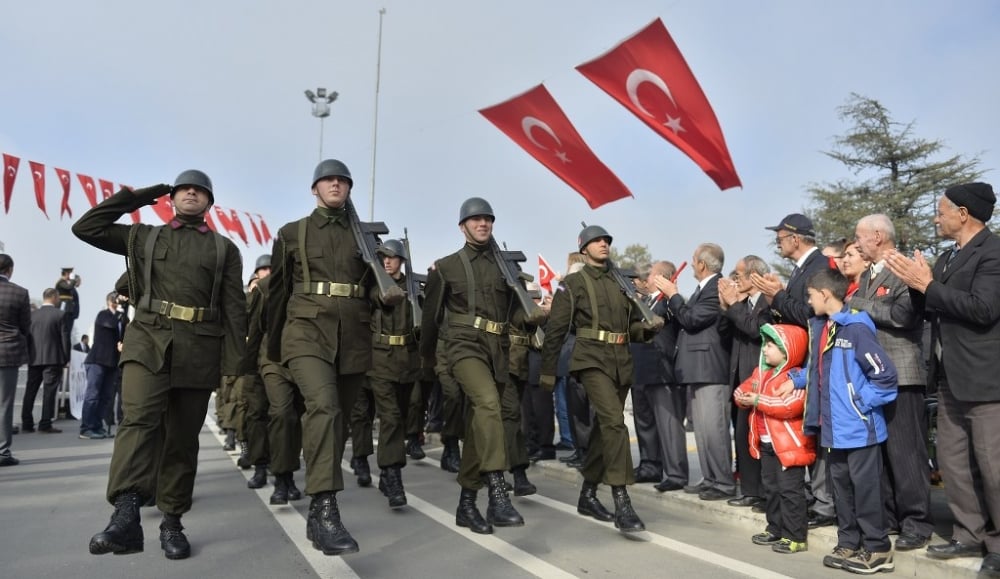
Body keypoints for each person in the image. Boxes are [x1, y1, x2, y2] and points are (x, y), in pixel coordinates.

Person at [73, 169, 247, 560]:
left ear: (209, 202)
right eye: (185, 188)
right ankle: (126, 513)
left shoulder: (224, 249)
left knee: (182, 440)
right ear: (172, 197)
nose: (191, 193)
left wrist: (235, 366)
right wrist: (137, 198)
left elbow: (236, 311)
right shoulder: (143, 236)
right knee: (138, 421)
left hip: (200, 349)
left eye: (200, 190)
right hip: (147, 341)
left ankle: (172, 521)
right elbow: (86, 227)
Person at [267, 159, 382, 556]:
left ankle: (319, 512)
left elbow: (375, 289)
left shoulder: (366, 238)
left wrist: (384, 295)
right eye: (328, 180)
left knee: (338, 423)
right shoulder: (291, 232)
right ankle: (325, 505)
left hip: (352, 336)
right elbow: (277, 293)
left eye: (342, 180)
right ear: (314, 188)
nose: (335, 184)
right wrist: (270, 350)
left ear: (349, 189)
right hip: (304, 333)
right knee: (325, 406)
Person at [885, 182, 1000, 577]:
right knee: (953, 464)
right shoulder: (948, 257)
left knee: (993, 465)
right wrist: (919, 286)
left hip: (985, 378)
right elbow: (931, 306)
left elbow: (983, 309)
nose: (937, 218)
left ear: (964, 214)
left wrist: (927, 285)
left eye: (941, 210)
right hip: (948, 377)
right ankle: (969, 534)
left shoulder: (994, 252)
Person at [421, 197, 544, 535]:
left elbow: (518, 314)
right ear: (463, 227)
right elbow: (430, 320)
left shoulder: (507, 269)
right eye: (475, 220)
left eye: (487, 219)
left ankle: (466, 504)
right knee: (488, 403)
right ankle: (497, 492)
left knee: (486, 421)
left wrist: (536, 315)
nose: (482, 224)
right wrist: (426, 362)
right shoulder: (446, 267)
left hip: (499, 349)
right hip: (463, 346)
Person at [540, 224, 662, 535]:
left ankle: (588, 494)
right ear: (584, 249)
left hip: (621, 360)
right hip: (590, 359)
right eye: (596, 241)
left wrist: (647, 329)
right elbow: (556, 329)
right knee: (614, 423)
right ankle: (622, 500)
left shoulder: (621, 281)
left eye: (606, 240)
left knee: (602, 430)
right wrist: (549, 371)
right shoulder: (573, 282)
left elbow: (631, 326)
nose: (603, 244)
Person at [789, 268, 898, 573]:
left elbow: (885, 376)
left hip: (858, 427)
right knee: (842, 490)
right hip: (833, 427)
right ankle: (849, 542)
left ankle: (877, 549)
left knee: (866, 490)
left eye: (811, 296)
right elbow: (821, 371)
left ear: (825, 294)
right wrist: (797, 380)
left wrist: (860, 403)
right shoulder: (826, 327)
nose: (809, 303)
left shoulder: (856, 328)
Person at [851, 213, 933, 551]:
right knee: (882, 452)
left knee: (907, 452)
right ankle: (889, 519)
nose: (856, 243)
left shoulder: (901, 268)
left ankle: (916, 522)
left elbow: (903, 315)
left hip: (902, 375)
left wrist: (860, 304)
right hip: (875, 377)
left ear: (879, 236)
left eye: (860, 237)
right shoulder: (868, 274)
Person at [752, 213, 837, 529]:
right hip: (800, 361)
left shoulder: (818, 267)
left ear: (796, 238)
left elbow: (810, 314)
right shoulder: (805, 267)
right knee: (804, 432)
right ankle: (817, 498)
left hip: (812, 360)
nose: (778, 240)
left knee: (813, 433)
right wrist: (778, 298)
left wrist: (778, 296)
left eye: (781, 235)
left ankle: (824, 502)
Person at [655, 243, 734, 501]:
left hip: (711, 367)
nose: (690, 264)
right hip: (697, 368)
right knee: (701, 430)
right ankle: (710, 478)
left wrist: (674, 295)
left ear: (702, 264)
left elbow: (692, 319)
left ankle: (723, 482)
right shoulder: (704, 289)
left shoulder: (716, 287)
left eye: (693, 260)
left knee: (714, 429)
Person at [736, 323, 813, 555]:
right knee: (771, 488)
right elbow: (742, 390)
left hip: (789, 447)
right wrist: (743, 396)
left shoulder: (796, 377)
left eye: (771, 345)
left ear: (788, 349)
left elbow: (790, 406)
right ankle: (775, 528)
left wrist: (758, 401)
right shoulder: (760, 373)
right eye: (765, 344)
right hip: (767, 444)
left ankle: (795, 536)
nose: (765, 349)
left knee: (790, 492)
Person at [366, 239, 420, 508]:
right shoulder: (374, 288)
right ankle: (394, 474)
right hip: (380, 359)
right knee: (391, 417)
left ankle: (387, 472)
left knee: (401, 416)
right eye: (383, 257)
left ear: (402, 260)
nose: (387, 261)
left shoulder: (414, 289)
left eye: (392, 257)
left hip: (408, 360)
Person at [719, 255, 774, 508]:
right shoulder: (745, 303)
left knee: (761, 439)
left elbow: (755, 330)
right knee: (743, 436)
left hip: (761, 380)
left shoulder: (766, 302)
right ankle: (751, 490)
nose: (735, 280)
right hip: (741, 380)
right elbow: (725, 330)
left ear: (754, 276)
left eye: (738, 276)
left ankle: (765, 493)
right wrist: (726, 306)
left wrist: (734, 305)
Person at [79, 292, 126, 439]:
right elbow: (110, 324)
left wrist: (124, 307)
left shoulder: (121, 317)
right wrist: (118, 310)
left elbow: (125, 325)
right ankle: (86, 427)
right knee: (93, 395)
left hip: (112, 362)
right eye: (115, 299)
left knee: (106, 397)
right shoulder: (103, 315)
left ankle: (97, 426)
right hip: (98, 361)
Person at [22, 288, 68, 433]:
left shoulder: (32, 315)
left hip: (34, 359)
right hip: (53, 359)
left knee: (30, 391)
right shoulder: (60, 315)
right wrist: (66, 358)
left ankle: (27, 423)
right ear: (54, 297)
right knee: (49, 392)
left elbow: (27, 338)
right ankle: (45, 423)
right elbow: (64, 339)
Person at [0, 254, 31, 467]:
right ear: (10, 270)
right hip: (8, 352)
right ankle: (2, 451)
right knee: (4, 403)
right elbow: (25, 327)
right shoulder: (20, 293)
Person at [55, 267, 81, 352]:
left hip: (69, 310)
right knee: (64, 332)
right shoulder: (61, 282)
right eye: (70, 274)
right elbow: (69, 287)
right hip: (64, 309)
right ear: (66, 273)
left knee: (67, 332)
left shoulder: (65, 283)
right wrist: (73, 280)